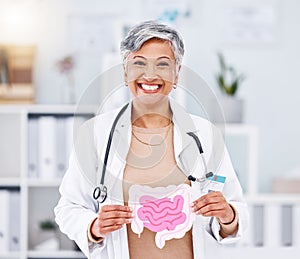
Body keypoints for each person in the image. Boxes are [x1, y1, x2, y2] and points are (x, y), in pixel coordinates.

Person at [54, 20, 248, 259]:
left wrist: (228, 214)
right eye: (139, 63)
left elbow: (236, 213)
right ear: (125, 73)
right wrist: (93, 227)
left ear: (177, 74)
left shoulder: (205, 134)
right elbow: (68, 208)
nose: (150, 74)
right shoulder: (95, 133)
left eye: (163, 64)